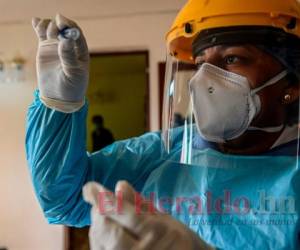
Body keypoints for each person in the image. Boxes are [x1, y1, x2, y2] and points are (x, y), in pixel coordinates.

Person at [26, 0, 300, 249]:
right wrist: (59, 103)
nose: (204, 80)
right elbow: (63, 198)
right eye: (200, 63)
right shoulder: (164, 154)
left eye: (231, 59)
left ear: (292, 85)